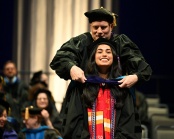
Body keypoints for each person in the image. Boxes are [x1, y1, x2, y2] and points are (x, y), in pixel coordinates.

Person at [50, 7, 152, 138]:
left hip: (117, 96)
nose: (99, 32)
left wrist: (135, 77)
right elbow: (59, 59)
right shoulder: (82, 42)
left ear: (111, 26)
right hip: (85, 97)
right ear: (90, 27)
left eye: (103, 27)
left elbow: (143, 68)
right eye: (95, 27)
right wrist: (71, 67)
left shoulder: (121, 43)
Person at [61, 37, 142, 138]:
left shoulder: (122, 86)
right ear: (93, 57)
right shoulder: (81, 86)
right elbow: (74, 121)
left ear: (114, 57)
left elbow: (127, 123)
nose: (104, 54)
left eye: (108, 52)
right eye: (99, 52)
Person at [2, 60, 29, 125]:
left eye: (12, 69)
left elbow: (26, 103)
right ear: (4, 71)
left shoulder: (23, 86)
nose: (10, 71)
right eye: (7, 69)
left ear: (16, 70)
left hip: (20, 118)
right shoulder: (1, 86)